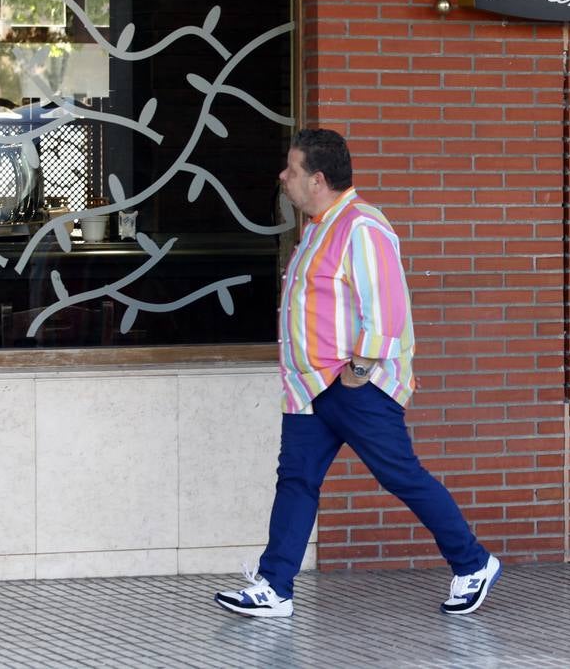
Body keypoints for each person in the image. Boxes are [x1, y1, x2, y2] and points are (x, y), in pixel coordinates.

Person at [214, 128, 500, 619]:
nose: (284, 177)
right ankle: (275, 586)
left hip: (351, 385)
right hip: (310, 387)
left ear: (318, 178)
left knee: (400, 476)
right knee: (297, 479)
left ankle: (473, 563)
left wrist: (360, 369)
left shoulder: (361, 226)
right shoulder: (321, 226)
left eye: (293, 170)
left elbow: (387, 308)